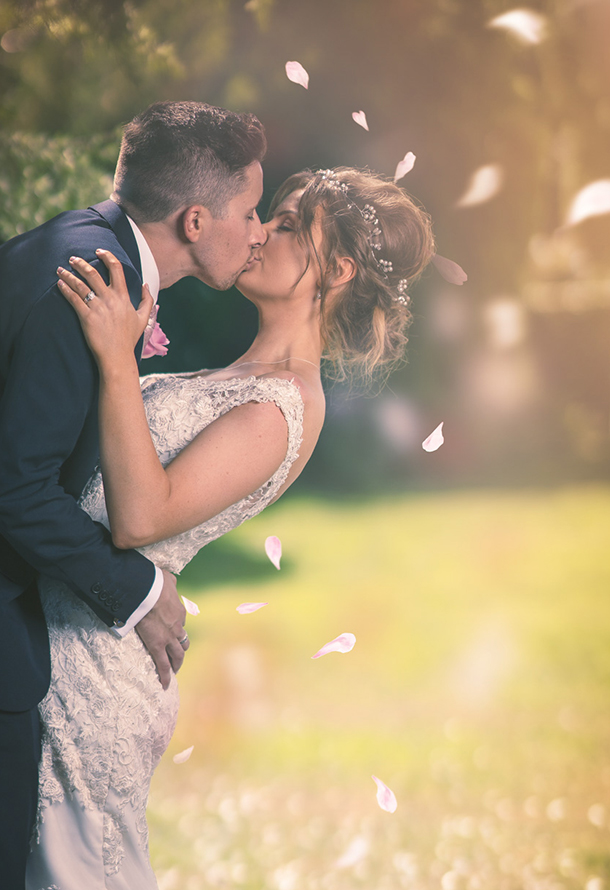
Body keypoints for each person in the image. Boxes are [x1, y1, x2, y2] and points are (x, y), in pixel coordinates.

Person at [25, 166, 435, 889]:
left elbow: (142, 517)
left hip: (96, 672)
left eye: (284, 225)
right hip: (59, 635)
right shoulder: (236, 376)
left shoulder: (281, 410)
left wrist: (117, 359)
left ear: (334, 269)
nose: (258, 234)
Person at [0, 99, 267, 889]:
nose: (258, 232)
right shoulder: (83, 284)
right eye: (250, 212)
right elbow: (14, 487)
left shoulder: (78, 248)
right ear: (194, 220)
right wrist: (141, 590)